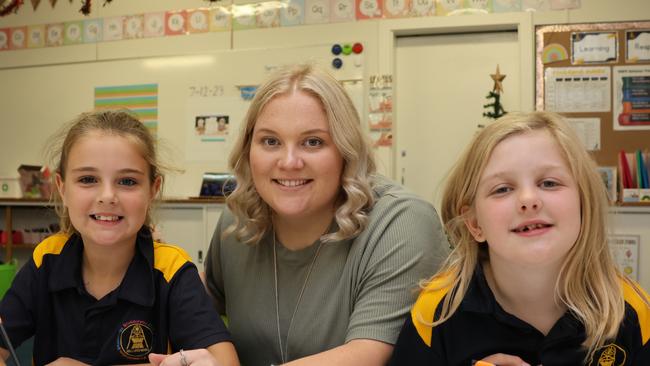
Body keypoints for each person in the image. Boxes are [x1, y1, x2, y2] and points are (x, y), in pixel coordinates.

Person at [202, 64, 449, 366]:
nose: (289, 162)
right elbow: (193, 313)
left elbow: (368, 356)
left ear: (347, 151)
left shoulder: (400, 223)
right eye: (270, 141)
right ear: (248, 149)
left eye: (313, 142)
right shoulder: (239, 222)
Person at [388, 112, 650, 365]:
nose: (528, 200)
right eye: (502, 189)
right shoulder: (435, 315)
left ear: (584, 204)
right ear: (474, 223)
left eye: (549, 183)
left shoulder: (632, 314)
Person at [0, 110, 239, 366]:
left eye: (127, 181)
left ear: (153, 190)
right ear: (62, 188)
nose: (107, 196)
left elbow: (225, 360)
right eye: (88, 179)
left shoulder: (171, 269)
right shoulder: (46, 258)